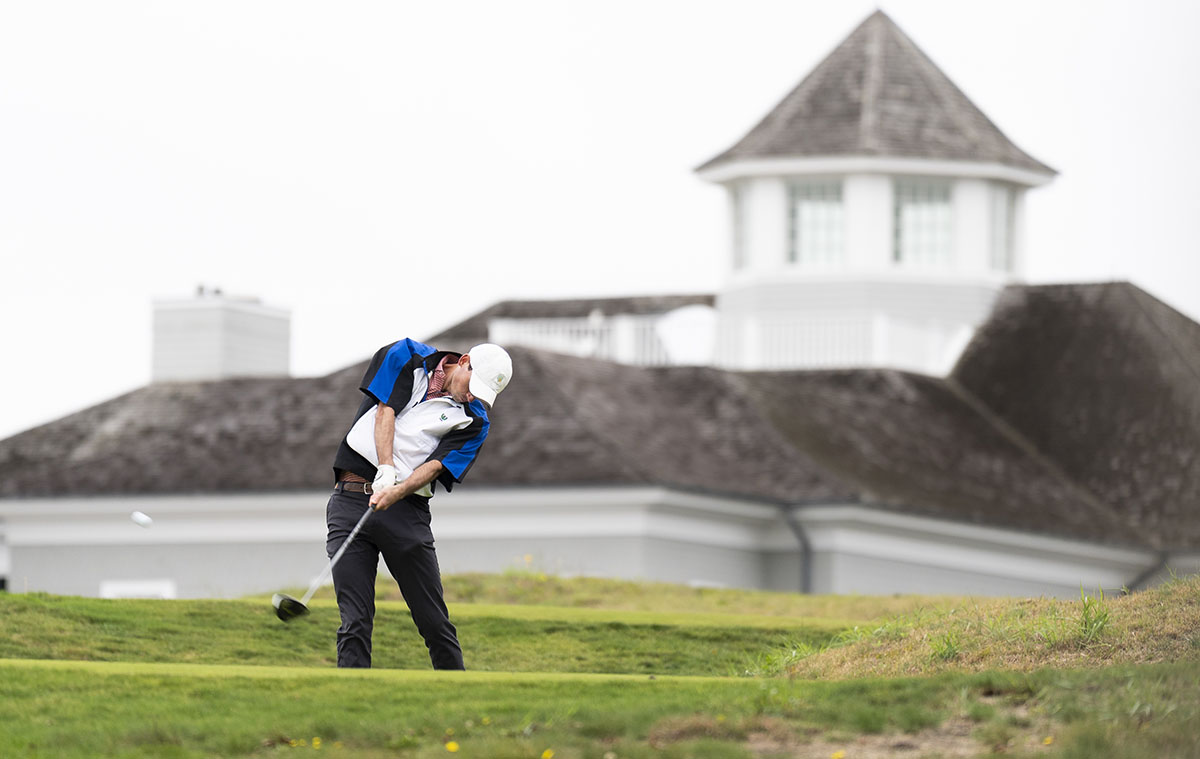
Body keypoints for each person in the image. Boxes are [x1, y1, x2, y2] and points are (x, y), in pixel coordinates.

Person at [326, 338, 512, 669]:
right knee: (354, 620)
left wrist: (396, 489)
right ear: (464, 361)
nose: (473, 396)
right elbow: (385, 408)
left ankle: (457, 689)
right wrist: (385, 467)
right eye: (473, 386)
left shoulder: (475, 421)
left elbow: (437, 466)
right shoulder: (407, 356)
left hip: (406, 514)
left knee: (434, 622)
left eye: (482, 394)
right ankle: (352, 694)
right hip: (350, 500)